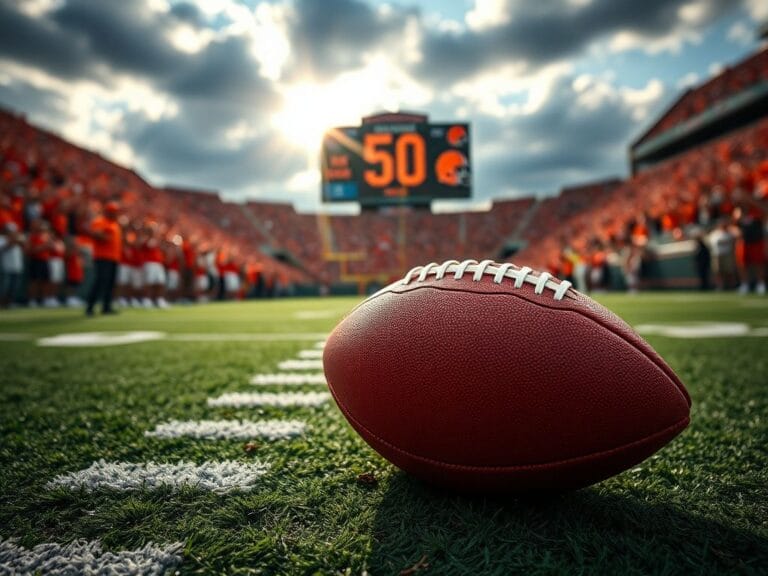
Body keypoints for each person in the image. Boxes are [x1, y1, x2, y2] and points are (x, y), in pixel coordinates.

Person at [85, 202, 122, 316]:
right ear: (107, 212)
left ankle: (106, 306)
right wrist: (106, 236)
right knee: (101, 281)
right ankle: (90, 306)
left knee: (110, 283)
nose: (115, 214)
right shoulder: (100, 221)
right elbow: (95, 234)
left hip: (113, 257)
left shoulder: (115, 224)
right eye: (113, 212)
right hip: (102, 256)